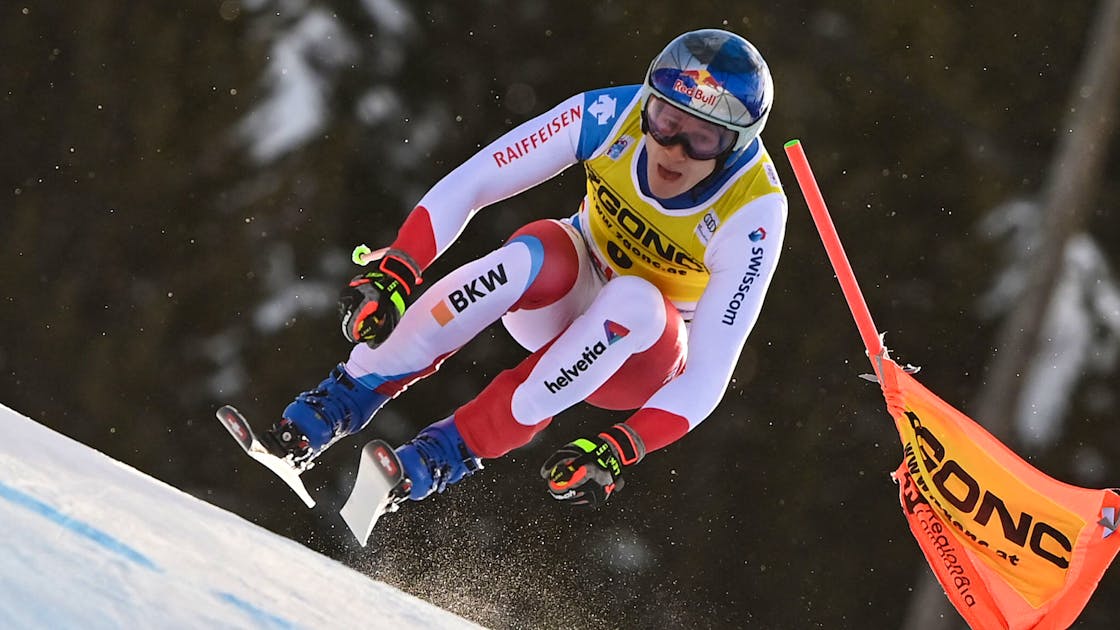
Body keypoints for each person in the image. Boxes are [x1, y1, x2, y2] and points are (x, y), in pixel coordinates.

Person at [262, 28, 787, 508]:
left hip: (634, 356)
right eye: (667, 121)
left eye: (702, 139)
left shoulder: (752, 211)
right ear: (649, 102)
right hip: (562, 293)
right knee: (528, 255)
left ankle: (441, 455)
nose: (672, 149)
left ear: (735, 145)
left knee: (637, 300)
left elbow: (708, 377)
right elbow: (475, 182)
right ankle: (337, 401)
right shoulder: (611, 115)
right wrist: (399, 267)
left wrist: (621, 447)